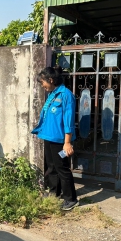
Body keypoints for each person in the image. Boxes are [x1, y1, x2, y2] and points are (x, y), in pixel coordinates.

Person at [31, 66, 79, 211]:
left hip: (60, 141)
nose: (42, 86)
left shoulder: (66, 95)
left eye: (43, 82)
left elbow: (69, 120)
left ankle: (71, 199)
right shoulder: (52, 94)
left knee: (62, 168)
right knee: (51, 167)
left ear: (50, 80)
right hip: (49, 137)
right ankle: (54, 193)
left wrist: (67, 143)